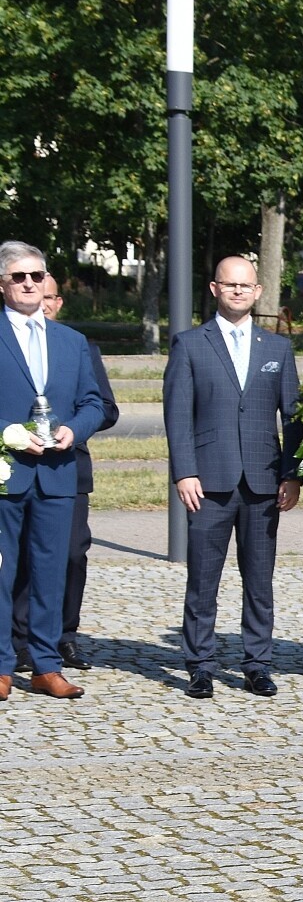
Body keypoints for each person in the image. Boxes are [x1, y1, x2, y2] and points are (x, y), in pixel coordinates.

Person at [163, 256, 303, 699]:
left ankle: (257, 664)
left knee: (259, 581)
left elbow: (293, 417)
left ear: (257, 291)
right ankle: (200, 665)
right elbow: (177, 415)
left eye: (245, 285)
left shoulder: (277, 348)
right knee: (203, 581)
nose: (238, 291)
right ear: (214, 288)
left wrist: (292, 473)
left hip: (264, 481)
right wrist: (185, 471)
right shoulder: (189, 344)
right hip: (208, 481)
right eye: (230, 284)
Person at [0, 242, 105, 699]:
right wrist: (7, 433)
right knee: (3, 572)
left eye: (36, 276)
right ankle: (2, 665)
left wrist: (74, 430)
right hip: (7, 472)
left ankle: (45, 665)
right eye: (19, 277)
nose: (29, 284)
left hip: (58, 472)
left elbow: (94, 402)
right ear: (2, 284)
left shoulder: (71, 341)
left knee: (50, 572)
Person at [12, 275, 118, 673]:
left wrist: (73, 427)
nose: (42, 299)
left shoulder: (78, 345)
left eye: (50, 294)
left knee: (71, 554)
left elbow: (105, 407)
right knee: (20, 556)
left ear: (57, 301)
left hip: (67, 467)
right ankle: (21, 641)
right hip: (17, 465)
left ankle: (64, 635)